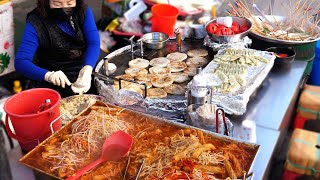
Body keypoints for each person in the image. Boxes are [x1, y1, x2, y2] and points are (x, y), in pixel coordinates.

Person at [15, 0, 100, 97]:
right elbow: (21, 62)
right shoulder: (36, 22)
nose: (64, 8)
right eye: (57, 4)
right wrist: (48, 75)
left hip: (83, 72)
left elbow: (93, 43)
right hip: (52, 79)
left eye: (70, 3)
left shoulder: (82, 11)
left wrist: (88, 68)